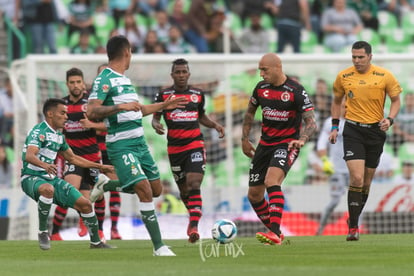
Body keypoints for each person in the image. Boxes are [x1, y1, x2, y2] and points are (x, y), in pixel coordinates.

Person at [86, 35, 188, 256]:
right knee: (144, 190)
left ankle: (106, 185)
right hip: (121, 145)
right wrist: (119, 107)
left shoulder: (125, 80)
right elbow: (92, 110)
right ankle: (159, 247)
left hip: (140, 143)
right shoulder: (105, 78)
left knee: (156, 190)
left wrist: (165, 105)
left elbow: (139, 110)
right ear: (127, 52)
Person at [241, 53, 317, 245]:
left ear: (277, 68)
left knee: (271, 180)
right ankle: (277, 232)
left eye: (264, 70)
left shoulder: (296, 90)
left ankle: (274, 233)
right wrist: (244, 138)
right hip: (264, 144)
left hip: (288, 143)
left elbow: (311, 122)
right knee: (254, 195)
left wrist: (302, 139)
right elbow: (250, 113)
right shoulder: (260, 88)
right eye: (260, 70)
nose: (261, 74)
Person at [330, 40, 402, 241]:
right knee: (357, 178)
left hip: (375, 132)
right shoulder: (343, 76)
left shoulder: (384, 76)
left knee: (367, 182)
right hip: (352, 130)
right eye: (354, 56)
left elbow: (396, 100)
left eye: (361, 57)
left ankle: (353, 218)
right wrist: (335, 127)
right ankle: (353, 226)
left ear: (370, 56)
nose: (357, 60)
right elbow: (336, 102)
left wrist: (390, 119)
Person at [21, 98, 114, 250]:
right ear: (50, 114)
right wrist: (45, 165)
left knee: (85, 204)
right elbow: (29, 156)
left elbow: (73, 158)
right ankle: (44, 232)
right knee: (48, 190)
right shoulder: (38, 131)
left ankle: (96, 242)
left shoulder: (59, 136)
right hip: (31, 177)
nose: (66, 117)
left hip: (50, 179)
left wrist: (100, 166)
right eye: (62, 113)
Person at [152, 58, 225, 243]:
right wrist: (156, 124)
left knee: (194, 183)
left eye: (184, 72)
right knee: (184, 192)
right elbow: (155, 117)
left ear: (189, 74)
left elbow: (201, 116)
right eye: (178, 72)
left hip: (194, 144)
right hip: (174, 149)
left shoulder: (198, 94)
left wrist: (215, 125)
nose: (181, 75)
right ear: (172, 75)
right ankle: (193, 217)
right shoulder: (164, 95)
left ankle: (193, 226)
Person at [50, 68, 107, 242]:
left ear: (83, 83)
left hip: (92, 156)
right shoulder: (62, 105)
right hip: (72, 157)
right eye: (72, 82)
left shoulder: (92, 103)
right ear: (67, 84)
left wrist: (91, 125)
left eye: (78, 82)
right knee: (70, 190)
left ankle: (100, 230)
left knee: (98, 194)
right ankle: (62, 229)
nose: (75, 85)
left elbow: (108, 127)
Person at [315, 102, 348, 236]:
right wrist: (324, 161)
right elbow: (321, 144)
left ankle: (355, 228)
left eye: (347, 106)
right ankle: (321, 228)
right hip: (337, 170)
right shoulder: (330, 123)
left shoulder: (355, 122)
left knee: (358, 200)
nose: (345, 109)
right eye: (343, 106)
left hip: (354, 169)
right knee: (334, 201)